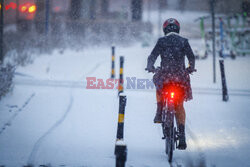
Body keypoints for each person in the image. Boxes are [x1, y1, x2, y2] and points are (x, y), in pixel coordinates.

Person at [145, 18, 195, 149]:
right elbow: (191, 57)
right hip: (180, 78)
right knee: (179, 105)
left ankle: (159, 109)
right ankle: (182, 135)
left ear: (165, 29)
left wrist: (150, 67)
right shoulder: (184, 41)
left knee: (158, 85)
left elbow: (152, 56)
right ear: (178, 29)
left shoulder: (162, 41)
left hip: (165, 76)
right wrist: (190, 68)